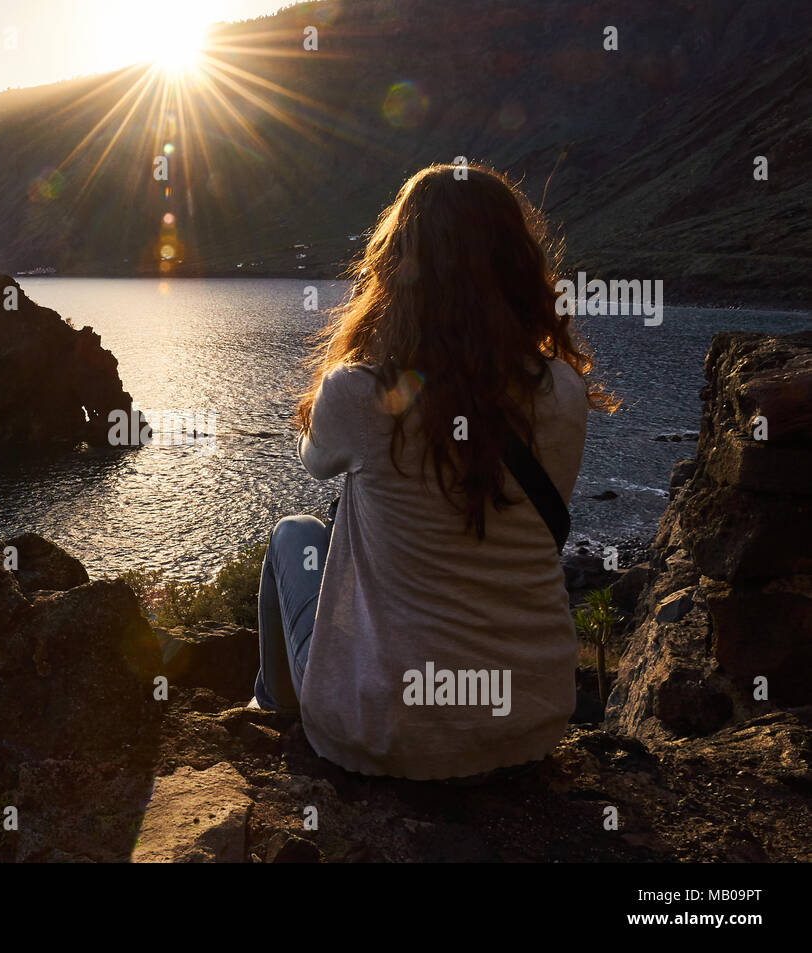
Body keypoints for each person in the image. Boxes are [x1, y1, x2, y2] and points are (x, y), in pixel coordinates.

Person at [252, 162, 618, 780]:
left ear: (398, 269)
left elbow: (312, 458)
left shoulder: (361, 391)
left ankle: (273, 710)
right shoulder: (563, 389)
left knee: (294, 534)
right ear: (517, 265)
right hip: (527, 721)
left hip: (387, 731)